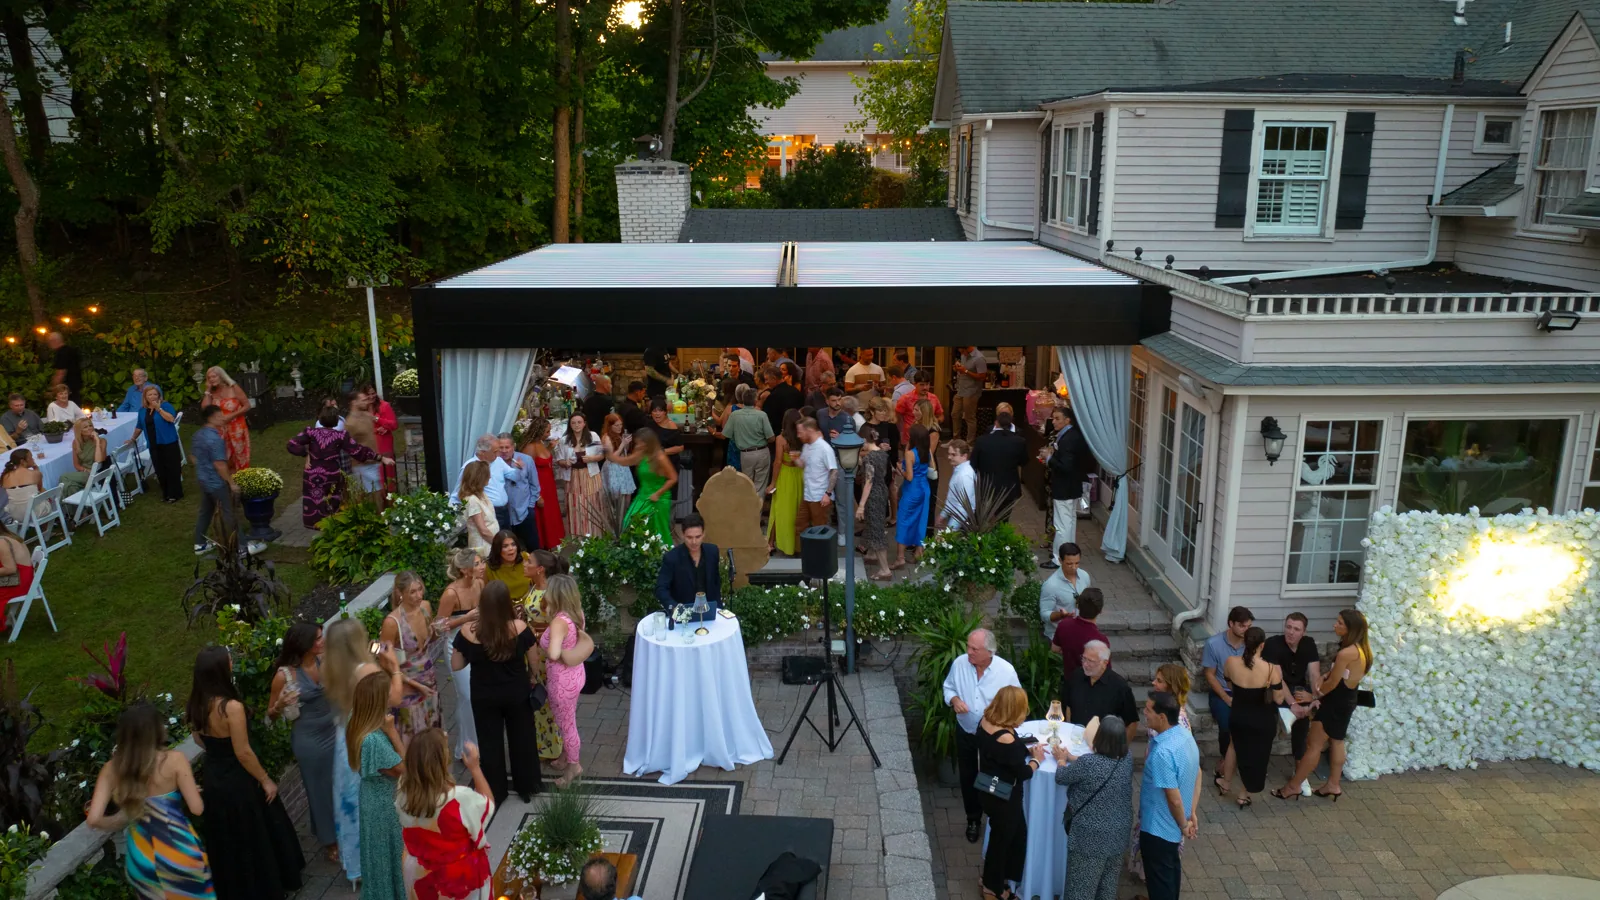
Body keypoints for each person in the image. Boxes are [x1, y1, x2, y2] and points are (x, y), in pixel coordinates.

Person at [186, 646, 306, 899]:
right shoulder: (230, 707)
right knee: (254, 832)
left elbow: (198, 740)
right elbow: (243, 752)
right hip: (238, 778)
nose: (232, 662)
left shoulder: (197, 704)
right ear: (221, 669)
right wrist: (265, 780)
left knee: (228, 837)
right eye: (229, 660)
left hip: (214, 775)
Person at [85, 703, 216, 900]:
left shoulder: (111, 769)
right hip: (178, 849)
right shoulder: (175, 760)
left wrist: (121, 819)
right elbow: (197, 808)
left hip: (141, 856)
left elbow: (94, 819)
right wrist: (183, 793)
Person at [323, 619, 406, 888]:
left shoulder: (331, 670)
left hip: (345, 738)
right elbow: (393, 699)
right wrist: (393, 668)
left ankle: (356, 865)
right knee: (375, 798)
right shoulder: (366, 669)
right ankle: (382, 863)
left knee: (351, 802)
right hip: (369, 733)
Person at [452, 580, 543, 804]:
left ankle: (495, 790)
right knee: (522, 738)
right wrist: (533, 676)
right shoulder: (520, 628)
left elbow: (456, 664)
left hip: (484, 695)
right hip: (516, 693)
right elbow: (534, 662)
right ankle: (527, 786)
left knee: (489, 742)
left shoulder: (468, 632)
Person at [1275, 608, 1373, 802]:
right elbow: (1340, 675)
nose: (1335, 625)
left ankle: (1293, 787)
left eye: (1340, 623)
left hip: (1334, 704)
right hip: (1348, 700)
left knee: (1313, 745)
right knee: (1337, 741)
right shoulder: (1362, 650)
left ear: (1351, 628)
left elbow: (1332, 684)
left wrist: (1313, 696)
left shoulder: (1346, 653)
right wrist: (1327, 675)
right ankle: (1333, 785)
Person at [941, 628, 1021, 844]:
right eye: (968, 646)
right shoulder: (959, 664)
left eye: (974, 649)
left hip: (993, 739)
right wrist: (955, 700)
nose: (969, 652)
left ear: (989, 652)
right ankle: (973, 819)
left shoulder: (1006, 671)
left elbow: (1016, 703)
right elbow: (948, 687)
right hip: (966, 731)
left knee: (992, 778)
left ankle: (995, 817)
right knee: (968, 777)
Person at [266, 623, 338, 862]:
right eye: (317, 638)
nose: (323, 641)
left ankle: (346, 826)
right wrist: (280, 705)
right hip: (310, 741)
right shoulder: (284, 676)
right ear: (304, 644)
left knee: (340, 783)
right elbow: (269, 716)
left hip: (334, 730)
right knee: (319, 790)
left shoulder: (324, 660)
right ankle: (329, 840)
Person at [396, 729, 495, 900]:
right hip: (456, 878)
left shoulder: (404, 791)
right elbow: (488, 803)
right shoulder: (458, 797)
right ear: (442, 761)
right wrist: (475, 768)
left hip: (419, 871)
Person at [1052, 715, 1133, 900]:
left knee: (1080, 890)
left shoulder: (1089, 763)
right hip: (1118, 834)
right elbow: (1096, 765)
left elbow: (1061, 777)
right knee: (1107, 888)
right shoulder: (1127, 758)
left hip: (1090, 838)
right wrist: (1073, 758)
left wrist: (1062, 760)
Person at [975, 685, 1044, 899]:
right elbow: (1023, 773)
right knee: (1003, 841)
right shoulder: (1006, 739)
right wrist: (1036, 760)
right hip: (1005, 796)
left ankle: (997, 877)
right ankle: (992, 887)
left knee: (1011, 835)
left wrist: (1024, 750)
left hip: (988, 786)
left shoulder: (985, 722)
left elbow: (1003, 755)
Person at [348, 671, 406, 900]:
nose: (394, 692)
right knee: (389, 858)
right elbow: (405, 769)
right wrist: (392, 732)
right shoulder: (374, 740)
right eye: (389, 690)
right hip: (384, 807)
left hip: (371, 798)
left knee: (379, 858)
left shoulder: (357, 720)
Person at [1139, 692, 1201, 900]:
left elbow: (1173, 798)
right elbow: (1198, 774)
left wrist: (1184, 824)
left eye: (1148, 710)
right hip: (1172, 830)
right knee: (1170, 879)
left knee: (1161, 887)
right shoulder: (1186, 736)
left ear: (1162, 717)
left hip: (1157, 830)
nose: (1144, 713)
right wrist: (1191, 812)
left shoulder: (1162, 753)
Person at [285, 409, 388, 528]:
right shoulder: (340, 436)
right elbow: (357, 450)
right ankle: (331, 527)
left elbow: (292, 444)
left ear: (320, 419)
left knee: (313, 501)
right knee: (331, 502)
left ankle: (316, 527)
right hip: (331, 474)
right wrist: (380, 457)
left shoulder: (310, 432)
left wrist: (305, 454)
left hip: (312, 474)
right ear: (336, 421)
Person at [1219, 626, 1287, 808]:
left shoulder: (1231, 662)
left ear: (1244, 642)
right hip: (1262, 718)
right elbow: (1279, 698)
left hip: (1239, 714)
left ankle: (1225, 783)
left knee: (1233, 746)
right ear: (1262, 645)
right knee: (1257, 754)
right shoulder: (1270, 669)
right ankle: (1243, 794)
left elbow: (1229, 685)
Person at [192, 406, 265, 555]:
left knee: (205, 511)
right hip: (216, 483)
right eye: (220, 416)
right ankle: (241, 547)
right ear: (211, 418)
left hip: (203, 480)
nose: (223, 418)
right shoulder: (215, 439)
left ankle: (200, 544)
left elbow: (193, 457)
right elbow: (219, 464)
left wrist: (203, 469)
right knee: (229, 513)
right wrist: (231, 483)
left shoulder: (198, 435)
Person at [380, 571, 442, 742]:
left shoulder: (426, 607)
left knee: (432, 735)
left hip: (429, 680)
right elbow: (384, 661)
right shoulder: (392, 623)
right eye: (412, 592)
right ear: (400, 593)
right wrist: (414, 684)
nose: (419, 595)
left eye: (420, 589)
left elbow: (431, 639)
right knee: (414, 738)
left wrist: (437, 630)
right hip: (407, 687)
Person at [541, 574, 590, 786]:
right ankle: (565, 756)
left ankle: (573, 767)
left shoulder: (559, 622)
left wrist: (551, 645)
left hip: (561, 680)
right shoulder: (576, 613)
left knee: (568, 725)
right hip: (576, 673)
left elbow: (553, 653)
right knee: (566, 719)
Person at [437, 548, 485, 758]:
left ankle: (468, 745)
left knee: (474, 694)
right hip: (456, 646)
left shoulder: (480, 584)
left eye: (482, 562)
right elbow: (438, 626)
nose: (482, 567)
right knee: (467, 695)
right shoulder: (451, 594)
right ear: (465, 570)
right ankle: (469, 749)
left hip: (478, 641)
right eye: (477, 564)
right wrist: (465, 618)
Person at [1202, 606, 1253, 786]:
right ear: (1231, 623)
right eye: (1242, 626)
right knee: (1226, 724)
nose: (1246, 630)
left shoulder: (1251, 644)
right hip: (1222, 691)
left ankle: (1235, 762)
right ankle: (1226, 759)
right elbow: (1209, 675)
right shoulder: (1213, 643)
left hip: (1246, 691)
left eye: (1248, 626)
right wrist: (1226, 698)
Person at [1062, 642, 1139, 744]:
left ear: (1105, 662)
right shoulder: (1076, 676)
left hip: (1103, 746)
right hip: (1076, 741)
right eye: (1084, 658)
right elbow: (1068, 706)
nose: (1085, 664)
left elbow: (1132, 723)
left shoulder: (1120, 687)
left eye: (1091, 661)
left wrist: (1121, 749)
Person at [1045, 407, 1093, 559]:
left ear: (1067, 420)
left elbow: (1065, 466)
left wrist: (1049, 458)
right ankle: (1070, 553)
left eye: (1057, 418)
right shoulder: (1072, 435)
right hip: (1072, 486)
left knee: (1061, 525)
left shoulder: (1068, 439)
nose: (1053, 422)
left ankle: (1059, 558)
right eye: (1053, 418)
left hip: (1064, 487)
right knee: (1069, 522)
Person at [613, 427, 675, 543]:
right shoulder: (641, 454)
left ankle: (662, 553)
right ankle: (639, 551)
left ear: (648, 443)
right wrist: (611, 456)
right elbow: (627, 461)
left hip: (658, 497)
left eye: (641, 443)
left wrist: (657, 493)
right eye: (637, 443)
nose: (638, 445)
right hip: (643, 496)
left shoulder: (660, 457)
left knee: (658, 530)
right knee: (629, 522)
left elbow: (673, 478)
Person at [128, 386, 183, 502]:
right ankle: (166, 493)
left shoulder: (165, 406)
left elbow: (171, 419)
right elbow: (139, 426)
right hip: (153, 443)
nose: (153, 397)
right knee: (160, 469)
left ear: (159, 395)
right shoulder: (142, 410)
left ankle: (175, 493)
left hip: (168, 441)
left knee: (172, 468)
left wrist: (159, 409)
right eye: (150, 395)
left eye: (155, 394)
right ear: (145, 397)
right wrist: (132, 438)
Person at [655, 512, 720, 609]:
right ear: (682, 535)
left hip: (709, 611)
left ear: (703, 534)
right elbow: (661, 589)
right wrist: (675, 609)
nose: (694, 542)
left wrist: (718, 608)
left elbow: (716, 583)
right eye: (689, 537)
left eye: (698, 537)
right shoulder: (672, 557)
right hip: (683, 612)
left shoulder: (712, 552)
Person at [855, 425, 893, 581]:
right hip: (882, 491)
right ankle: (871, 554)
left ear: (864, 439)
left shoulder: (870, 458)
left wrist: (861, 505)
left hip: (873, 495)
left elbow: (869, 482)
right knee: (873, 525)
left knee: (877, 531)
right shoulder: (882, 453)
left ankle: (885, 570)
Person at [971, 410, 1028, 513]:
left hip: (986, 487)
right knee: (1004, 517)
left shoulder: (981, 441)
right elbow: (1024, 461)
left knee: (984, 517)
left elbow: (973, 463)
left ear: (996, 423)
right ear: (1010, 424)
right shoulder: (1019, 441)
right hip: (1009, 488)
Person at [892, 424, 932, 568]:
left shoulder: (910, 454)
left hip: (912, 489)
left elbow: (909, 477)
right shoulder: (927, 451)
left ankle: (900, 558)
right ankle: (918, 552)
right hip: (924, 488)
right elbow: (932, 468)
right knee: (921, 519)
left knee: (904, 520)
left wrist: (899, 469)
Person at [558, 412, 605, 537]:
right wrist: (566, 463)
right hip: (573, 476)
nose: (576, 425)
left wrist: (592, 458)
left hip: (590, 475)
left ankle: (595, 534)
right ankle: (578, 535)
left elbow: (602, 455)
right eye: (573, 423)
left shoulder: (593, 436)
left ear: (584, 424)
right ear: (570, 425)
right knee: (575, 504)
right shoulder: (564, 440)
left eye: (579, 422)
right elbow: (559, 460)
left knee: (592, 503)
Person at [649, 399, 694, 523]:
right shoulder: (650, 425)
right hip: (653, 467)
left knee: (667, 498)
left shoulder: (671, 426)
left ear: (665, 412)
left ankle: (667, 525)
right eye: (654, 411)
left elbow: (680, 447)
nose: (657, 414)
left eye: (660, 411)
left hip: (669, 466)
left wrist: (662, 452)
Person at [795, 417, 838, 540]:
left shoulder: (824, 448)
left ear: (809, 430)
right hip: (807, 494)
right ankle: (803, 551)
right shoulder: (807, 446)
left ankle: (819, 552)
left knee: (820, 530)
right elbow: (803, 464)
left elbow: (834, 471)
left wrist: (827, 494)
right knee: (799, 526)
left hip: (820, 497)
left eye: (800, 432)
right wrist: (795, 459)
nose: (798, 435)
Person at [766, 409, 803, 555]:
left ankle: (771, 543)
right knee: (797, 510)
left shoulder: (781, 439)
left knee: (779, 510)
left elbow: (778, 462)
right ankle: (797, 545)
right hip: (800, 475)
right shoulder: (802, 438)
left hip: (785, 475)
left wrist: (773, 483)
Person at [725, 384, 773, 494]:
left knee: (746, 483)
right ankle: (758, 505)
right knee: (760, 484)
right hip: (762, 451)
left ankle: (747, 504)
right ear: (755, 401)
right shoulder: (762, 415)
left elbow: (726, 434)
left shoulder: (734, 415)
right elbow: (771, 437)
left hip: (745, 453)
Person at [1039, 543, 1092, 641]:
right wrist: (1060, 615)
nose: (1074, 567)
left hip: (1080, 631)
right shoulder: (1050, 585)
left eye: (1077, 563)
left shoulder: (1084, 576)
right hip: (1059, 636)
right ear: (1060, 560)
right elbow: (1044, 614)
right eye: (1069, 564)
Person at [201, 366, 250, 471]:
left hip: (236, 428)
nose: (211, 379)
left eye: (214, 376)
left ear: (221, 376)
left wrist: (231, 416)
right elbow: (205, 408)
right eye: (209, 378)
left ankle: (242, 476)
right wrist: (207, 390)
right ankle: (228, 478)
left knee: (239, 455)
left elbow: (247, 406)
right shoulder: (212, 393)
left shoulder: (233, 387)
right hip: (220, 430)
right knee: (224, 456)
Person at [458, 434, 512, 529]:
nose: (498, 454)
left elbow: (512, 474)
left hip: (504, 511)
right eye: (495, 452)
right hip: (486, 514)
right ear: (483, 452)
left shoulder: (498, 461)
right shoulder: (470, 467)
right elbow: (459, 493)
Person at [1051, 587, 1108, 677]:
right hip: (1090, 683)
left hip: (1069, 680)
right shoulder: (1101, 640)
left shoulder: (1064, 625)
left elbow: (1055, 649)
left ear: (1078, 606)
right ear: (1100, 611)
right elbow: (1105, 672)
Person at [511, 427, 552, 551]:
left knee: (531, 540)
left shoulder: (530, 454)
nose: (549, 434)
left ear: (513, 446)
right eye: (547, 431)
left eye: (507, 447)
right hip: (510, 509)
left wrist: (531, 503)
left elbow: (533, 482)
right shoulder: (529, 448)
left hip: (533, 497)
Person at [344, 391, 383, 501]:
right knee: (370, 497)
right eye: (363, 400)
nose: (367, 402)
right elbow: (348, 447)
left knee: (377, 494)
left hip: (374, 461)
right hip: (361, 465)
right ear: (354, 402)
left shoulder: (367, 416)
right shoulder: (350, 423)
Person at [362, 384, 399, 494]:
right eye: (368, 394)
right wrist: (376, 430)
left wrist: (378, 419)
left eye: (373, 393)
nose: (371, 396)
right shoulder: (362, 408)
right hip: (370, 445)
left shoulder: (384, 405)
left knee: (387, 473)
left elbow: (394, 424)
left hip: (384, 444)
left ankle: (390, 496)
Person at [59, 416, 108, 498]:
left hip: (97, 473)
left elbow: (99, 460)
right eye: (85, 427)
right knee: (71, 486)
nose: (89, 428)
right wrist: (86, 470)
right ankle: (80, 506)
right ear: (80, 431)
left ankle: (64, 503)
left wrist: (97, 441)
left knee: (63, 477)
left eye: (90, 425)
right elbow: (76, 465)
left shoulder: (102, 441)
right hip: (84, 473)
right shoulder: (76, 443)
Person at [0, 526, 36, 633]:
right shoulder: (9, 535)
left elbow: (10, 568)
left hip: (18, 583)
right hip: (24, 578)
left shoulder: (1, 542)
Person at [457, 461, 496, 557]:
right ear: (479, 478)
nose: (490, 477)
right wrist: (499, 544)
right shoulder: (472, 500)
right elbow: (483, 530)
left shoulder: (482, 494)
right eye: (487, 475)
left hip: (490, 544)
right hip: (483, 546)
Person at [894, 370, 942, 444]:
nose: (925, 387)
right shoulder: (905, 399)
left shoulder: (934, 398)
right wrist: (901, 434)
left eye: (927, 384)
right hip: (910, 438)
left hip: (929, 438)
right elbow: (897, 417)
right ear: (915, 384)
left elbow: (940, 415)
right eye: (921, 385)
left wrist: (933, 423)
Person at [951, 346, 987, 443]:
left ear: (968, 348)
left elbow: (982, 376)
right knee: (955, 414)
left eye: (963, 351)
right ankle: (956, 441)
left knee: (969, 417)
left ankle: (970, 443)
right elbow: (963, 369)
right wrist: (958, 367)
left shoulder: (979, 358)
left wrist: (965, 371)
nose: (962, 354)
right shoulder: (964, 355)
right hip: (961, 390)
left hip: (972, 392)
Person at [937, 439, 976, 529]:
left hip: (962, 522)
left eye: (953, 455)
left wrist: (950, 531)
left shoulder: (965, 476)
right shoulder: (958, 469)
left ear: (964, 456)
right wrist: (943, 514)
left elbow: (964, 507)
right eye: (949, 454)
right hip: (955, 517)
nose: (949, 457)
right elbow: (953, 496)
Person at [600, 413, 636, 507]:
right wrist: (622, 444)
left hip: (623, 466)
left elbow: (624, 451)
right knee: (617, 495)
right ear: (610, 426)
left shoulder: (619, 435)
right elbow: (611, 457)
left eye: (621, 425)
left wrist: (626, 444)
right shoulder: (606, 437)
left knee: (627, 493)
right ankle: (617, 515)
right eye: (616, 425)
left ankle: (625, 514)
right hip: (613, 468)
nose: (619, 427)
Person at [759, 363, 803, 436]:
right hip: (797, 432)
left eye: (766, 379)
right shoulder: (796, 391)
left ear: (774, 378)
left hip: (779, 434)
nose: (766, 382)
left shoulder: (773, 396)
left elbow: (767, 418)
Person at [483, 531, 529, 599]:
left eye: (513, 544)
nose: (511, 548)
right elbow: (485, 596)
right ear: (497, 549)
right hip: (502, 605)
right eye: (505, 546)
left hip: (529, 603)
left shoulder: (525, 557)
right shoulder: (487, 568)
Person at [1, 454, 42, 524]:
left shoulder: (5, 476)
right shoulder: (34, 473)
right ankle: (45, 527)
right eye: (31, 457)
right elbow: (39, 489)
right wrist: (36, 469)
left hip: (15, 514)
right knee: (43, 492)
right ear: (22, 461)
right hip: (35, 512)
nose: (33, 459)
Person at [46, 331, 82, 400]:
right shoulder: (71, 350)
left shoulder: (61, 353)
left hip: (66, 388)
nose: (49, 344)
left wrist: (53, 389)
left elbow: (61, 373)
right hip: (76, 385)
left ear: (55, 341)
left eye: (50, 342)